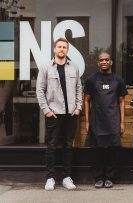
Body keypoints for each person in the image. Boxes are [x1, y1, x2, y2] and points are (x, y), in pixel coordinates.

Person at [36, 37, 82, 191]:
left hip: (71, 114)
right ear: (54, 49)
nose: (61, 49)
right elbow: (40, 91)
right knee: (52, 146)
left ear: (67, 50)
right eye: (59, 47)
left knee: (68, 146)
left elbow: (78, 89)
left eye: (64, 47)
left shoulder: (74, 67)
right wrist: (47, 110)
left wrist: (78, 107)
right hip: (54, 114)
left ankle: (67, 177)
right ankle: (50, 178)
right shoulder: (45, 67)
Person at [84, 51, 128, 188]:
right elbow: (86, 100)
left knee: (112, 150)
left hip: (113, 120)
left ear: (111, 62)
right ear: (98, 63)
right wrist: (87, 121)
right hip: (96, 120)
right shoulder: (92, 80)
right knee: (97, 150)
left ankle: (109, 177)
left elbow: (121, 101)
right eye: (101, 60)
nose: (104, 62)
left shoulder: (118, 80)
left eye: (106, 60)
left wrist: (121, 122)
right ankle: (98, 178)